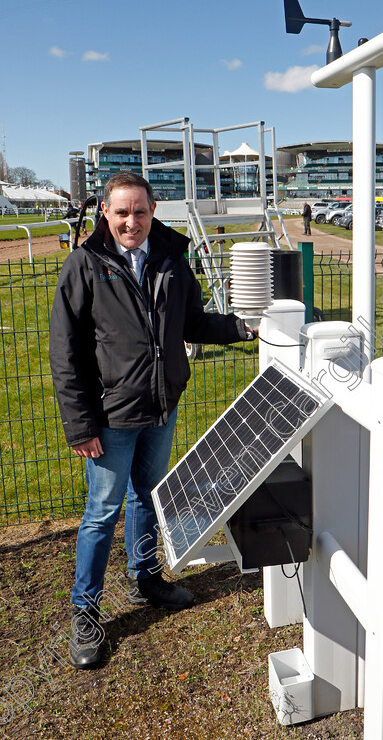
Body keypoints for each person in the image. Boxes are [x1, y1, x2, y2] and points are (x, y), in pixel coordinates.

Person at [49, 171, 256, 669]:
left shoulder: (170, 260)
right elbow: (66, 353)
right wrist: (80, 425)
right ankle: (86, 611)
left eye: (140, 211)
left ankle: (144, 577)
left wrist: (247, 326)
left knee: (148, 497)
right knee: (102, 513)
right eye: (121, 212)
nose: (131, 221)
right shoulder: (85, 265)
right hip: (110, 416)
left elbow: (194, 323)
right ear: (105, 212)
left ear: (153, 211)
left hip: (161, 407)